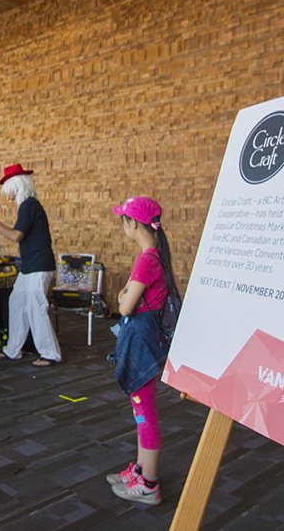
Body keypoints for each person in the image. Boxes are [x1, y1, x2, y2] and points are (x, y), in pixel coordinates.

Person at [105, 196, 179, 506]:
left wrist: (124, 294)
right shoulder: (154, 256)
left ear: (133, 224)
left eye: (124, 220)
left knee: (145, 414)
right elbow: (127, 296)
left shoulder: (147, 260)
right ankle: (140, 470)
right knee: (141, 411)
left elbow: (124, 305)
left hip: (141, 343)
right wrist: (126, 294)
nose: (123, 225)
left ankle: (148, 484)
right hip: (144, 339)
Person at [0, 163, 61, 367]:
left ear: (17, 187)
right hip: (30, 266)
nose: (9, 196)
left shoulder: (29, 205)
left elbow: (17, 235)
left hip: (38, 266)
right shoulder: (29, 205)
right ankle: (13, 349)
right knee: (16, 302)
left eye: (9, 191)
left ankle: (50, 353)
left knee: (36, 308)